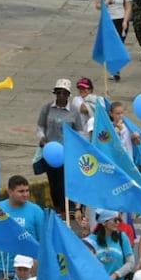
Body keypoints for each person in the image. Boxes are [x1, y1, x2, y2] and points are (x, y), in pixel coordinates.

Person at [37, 80, 87, 219]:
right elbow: (40, 126)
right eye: (58, 92)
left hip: (66, 153)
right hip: (50, 152)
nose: (61, 95)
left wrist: (75, 145)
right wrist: (42, 138)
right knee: (53, 181)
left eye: (64, 93)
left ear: (68, 95)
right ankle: (57, 208)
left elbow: (79, 131)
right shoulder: (47, 108)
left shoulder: (74, 111)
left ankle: (66, 210)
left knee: (63, 181)